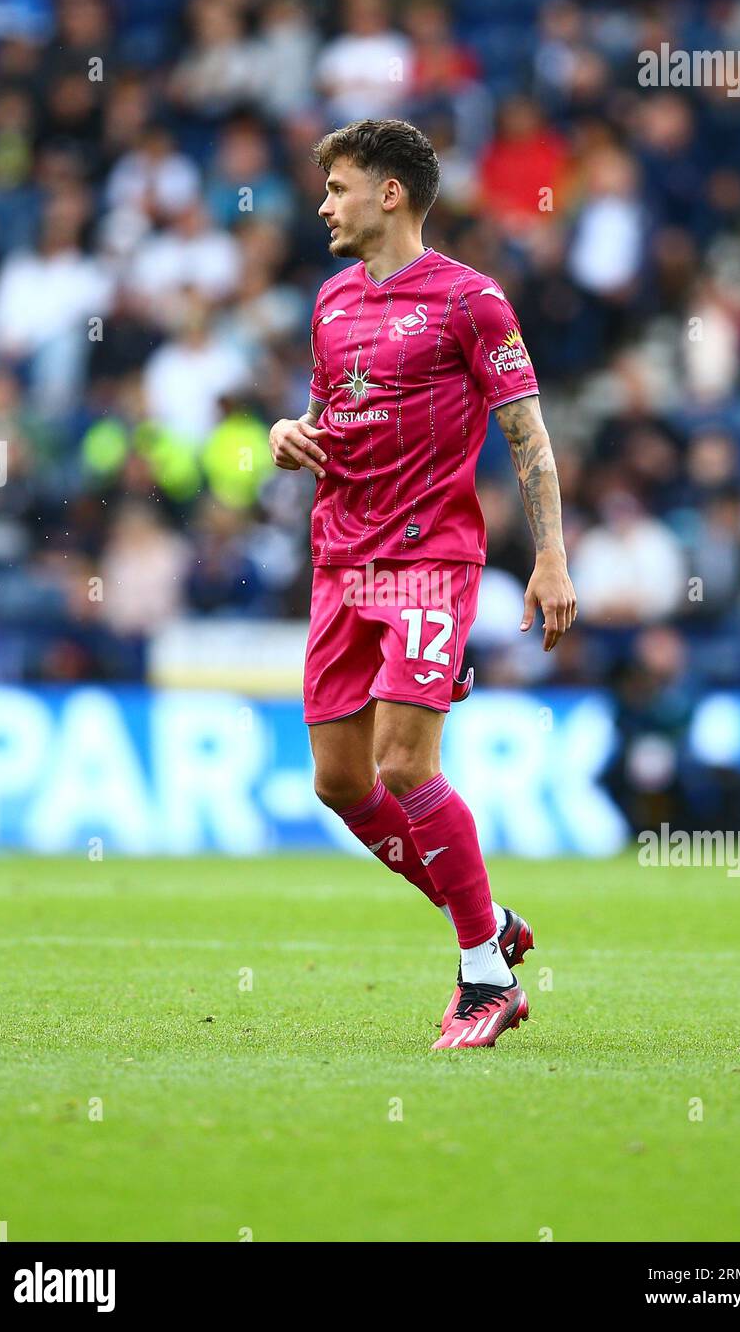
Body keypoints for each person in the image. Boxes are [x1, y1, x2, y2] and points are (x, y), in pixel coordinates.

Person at [268, 119, 577, 1050]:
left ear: (390, 193)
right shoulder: (329, 301)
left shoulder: (471, 301)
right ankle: (486, 919)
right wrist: (291, 433)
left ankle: (485, 976)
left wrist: (551, 557)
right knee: (339, 781)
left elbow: (529, 437)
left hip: (428, 560)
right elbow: (330, 415)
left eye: (338, 186)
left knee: (407, 763)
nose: (324, 203)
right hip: (339, 560)